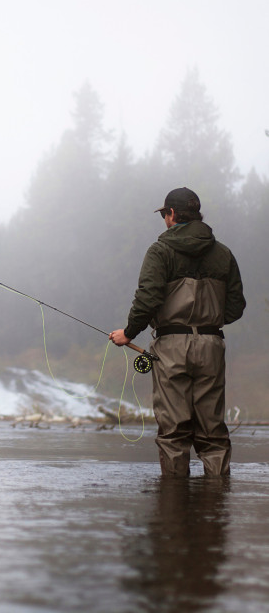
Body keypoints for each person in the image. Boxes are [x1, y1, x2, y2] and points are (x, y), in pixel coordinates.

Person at [110, 187, 245, 477]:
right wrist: (207, 323)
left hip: (171, 345)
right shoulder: (223, 254)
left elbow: (148, 297)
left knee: (174, 431)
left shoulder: (160, 251)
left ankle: (174, 508)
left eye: (164, 215)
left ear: (171, 214)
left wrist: (129, 333)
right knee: (212, 429)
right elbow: (236, 307)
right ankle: (215, 505)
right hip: (212, 344)